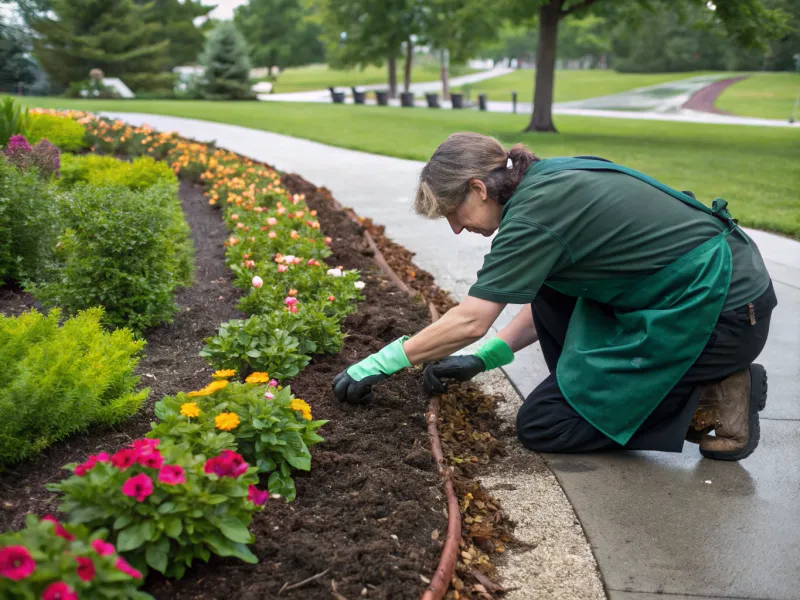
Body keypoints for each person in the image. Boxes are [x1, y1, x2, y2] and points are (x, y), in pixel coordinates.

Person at [332, 132, 777, 461]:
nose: (455, 227)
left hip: (724, 314)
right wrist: (483, 358)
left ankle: (716, 395)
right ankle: (604, 388)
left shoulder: (532, 218)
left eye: (453, 212)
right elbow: (545, 297)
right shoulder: (544, 181)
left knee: (546, 425)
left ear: (478, 189)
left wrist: (379, 363)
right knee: (545, 285)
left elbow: (471, 320)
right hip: (700, 296)